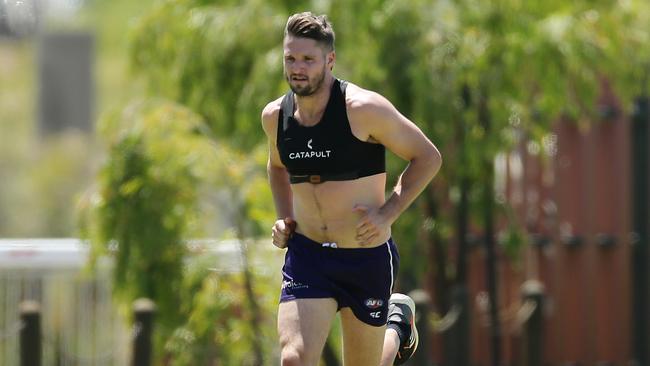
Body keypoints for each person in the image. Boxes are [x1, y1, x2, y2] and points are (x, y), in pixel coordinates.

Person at [261, 11, 442, 366]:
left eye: (308, 60)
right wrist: (285, 218)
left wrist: (388, 213)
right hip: (308, 256)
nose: (297, 68)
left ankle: (397, 325)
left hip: (364, 257)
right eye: (290, 58)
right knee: (293, 359)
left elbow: (427, 157)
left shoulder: (362, 109)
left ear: (329, 60)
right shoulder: (275, 117)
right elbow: (277, 165)